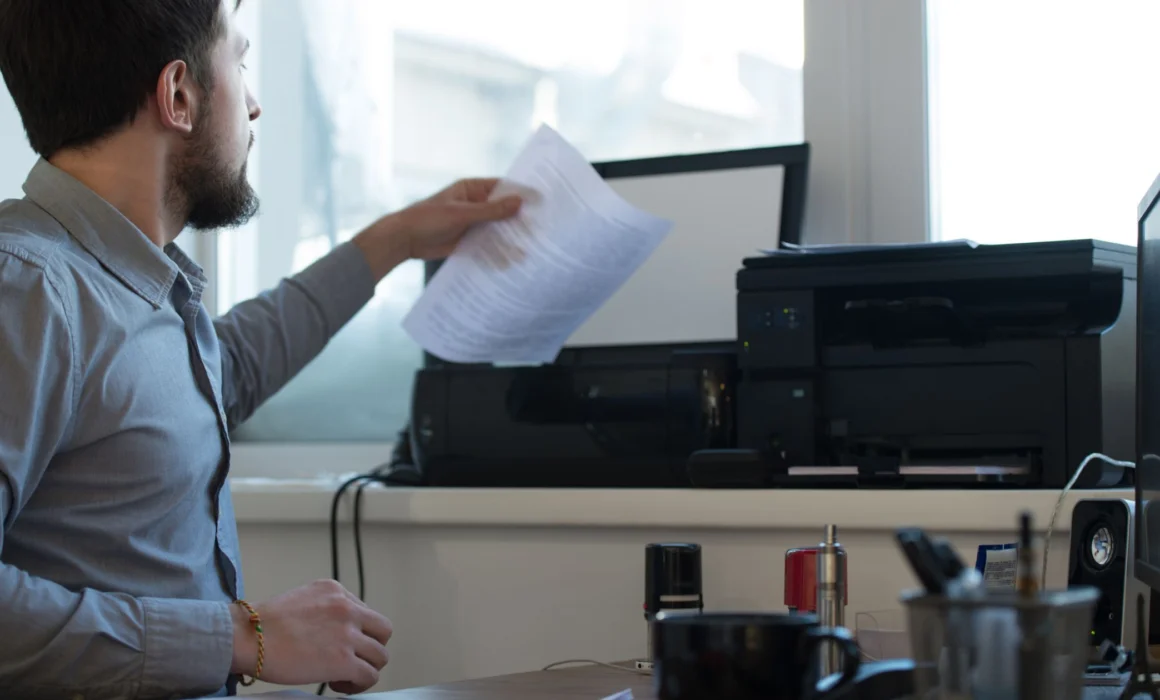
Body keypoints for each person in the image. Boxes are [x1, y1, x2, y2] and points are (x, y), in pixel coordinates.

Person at [0, 0, 522, 698]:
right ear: (179, 94)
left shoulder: (126, 288)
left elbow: (225, 368)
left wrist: (395, 240)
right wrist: (243, 636)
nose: (253, 105)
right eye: (239, 62)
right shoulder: (28, 287)